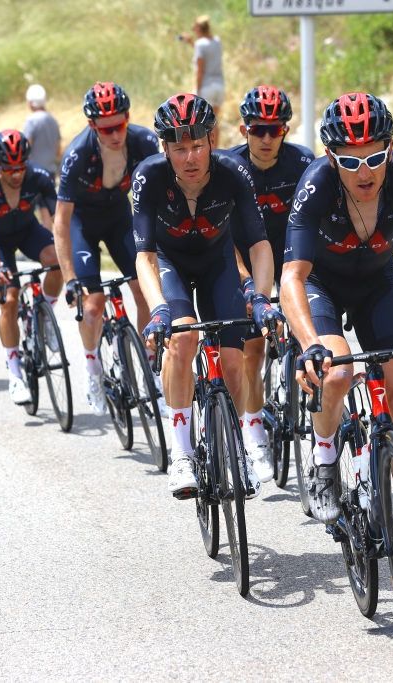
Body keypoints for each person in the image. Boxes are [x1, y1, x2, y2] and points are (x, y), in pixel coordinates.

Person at [280, 92, 393, 588]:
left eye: (375, 157)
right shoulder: (316, 184)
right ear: (329, 158)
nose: (364, 172)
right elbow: (292, 279)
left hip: (378, 284)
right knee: (338, 371)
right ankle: (323, 458)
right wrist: (308, 343)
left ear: (391, 148)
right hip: (322, 284)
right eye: (349, 161)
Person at [134, 93, 282, 496]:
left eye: (197, 145)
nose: (190, 157)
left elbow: (259, 246)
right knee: (182, 339)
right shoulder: (149, 176)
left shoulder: (234, 173)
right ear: (164, 148)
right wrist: (159, 309)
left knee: (234, 363)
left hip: (217, 263)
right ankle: (181, 454)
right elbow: (144, 256)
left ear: (212, 141)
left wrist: (263, 299)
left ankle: (233, 443)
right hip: (171, 263)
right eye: (179, 148)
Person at [54, 81, 157, 416]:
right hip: (82, 222)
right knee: (94, 305)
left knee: (144, 289)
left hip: (118, 217)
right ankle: (92, 370)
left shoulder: (143, 141)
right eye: (106, 128)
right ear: (92, 126)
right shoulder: (77, 155)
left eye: (121, 125)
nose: (115, 134)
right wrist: (69, 278)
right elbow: (60, 223)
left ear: (128, 117)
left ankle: (149, 363)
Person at [228, 86, 314, 465]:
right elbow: (222, 236)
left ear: (286, 130)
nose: (265, 138)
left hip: (292, 252)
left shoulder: (302, 163)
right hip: (244, 253)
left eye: (274, 130)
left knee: (311, 326)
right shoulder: (229, 167)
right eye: (257, 129)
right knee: (254, 345)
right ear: (243, 129)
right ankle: (253, 425)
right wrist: (248, 284)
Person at [0, 129, 62, 404]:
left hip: (27, 232)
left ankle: (43, 316)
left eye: (20, 167)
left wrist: (68, 248)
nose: (16, 174)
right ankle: (14, 373)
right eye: (9, 168)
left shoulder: (39, 177)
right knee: (10, 299)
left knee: (56, 261)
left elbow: (59, 219)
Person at [180, 16, 225, 141]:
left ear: (199, 28)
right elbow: (207, 51)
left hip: (206, 86)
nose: (194, 31)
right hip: (219, 86)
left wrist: (197, 90)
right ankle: (216, 150)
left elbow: (200, 69)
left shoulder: (200, 44)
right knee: (214, 120)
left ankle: (208, 150)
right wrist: (191, 43)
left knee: (202, 122)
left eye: (195, 28)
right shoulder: (216, 41)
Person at [22, 84, 62, 180]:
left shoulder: (31, 121)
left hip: (34, 172)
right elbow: (58, 150)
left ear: (31, 103)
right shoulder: (53, 120)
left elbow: (26, 147)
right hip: (51, 172)